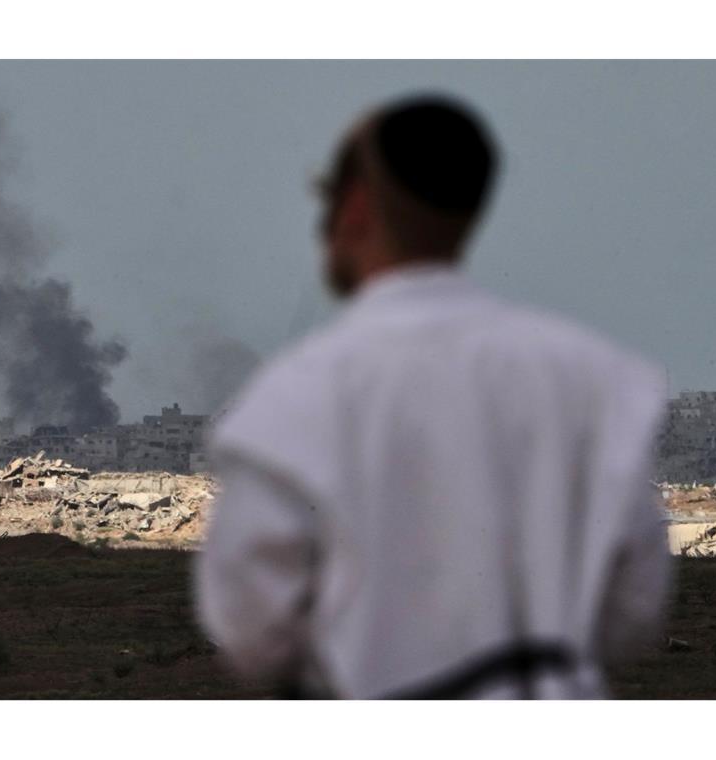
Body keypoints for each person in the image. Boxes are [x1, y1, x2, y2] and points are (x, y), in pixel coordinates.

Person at [194, 95, 671, 699]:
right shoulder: (594, 379)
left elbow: (250, 628)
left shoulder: (296, 396)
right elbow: (634, 610)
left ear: (356, 207)